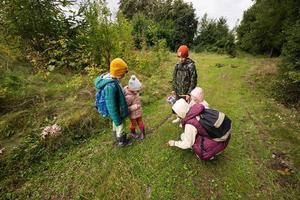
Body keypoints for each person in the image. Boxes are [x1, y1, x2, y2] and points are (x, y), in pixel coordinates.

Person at [94, 58, 132, 147]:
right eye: (123, 73)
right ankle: (122, 142)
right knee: (120, 125)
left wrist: (123, 90)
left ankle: (116, 138)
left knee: (116, 124)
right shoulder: (110, 86)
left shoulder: (112, 79)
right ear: (118, 72)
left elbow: (117, 94)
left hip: (118, 109)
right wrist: (116, 117)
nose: (124, 75)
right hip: (116, 111)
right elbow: (111, 105)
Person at [171, 45, 197, 123]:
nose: (180, 59)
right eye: (179, 57)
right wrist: (173, 89)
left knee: (186, 107)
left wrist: (189, 93)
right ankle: (179, 117)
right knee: (178, 105)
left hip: (186, 93)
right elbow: (174, 78)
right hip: (178, 91)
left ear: (186, 56)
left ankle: (185, 121)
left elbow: (193, 80)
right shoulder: (177, 65)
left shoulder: (191, 65)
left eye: (182, 57)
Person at [124, 75, 145, 140]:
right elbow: (126, 107)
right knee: (133, 124)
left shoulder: (135, 92)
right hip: (132, 113)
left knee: (140, 121)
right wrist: (134, 107)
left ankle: (143, 133)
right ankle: (133, 132)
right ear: (131, 88)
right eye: (136, 90)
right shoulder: (128, 97)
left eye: (138, 90)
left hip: (138, 111)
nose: (137, 92)